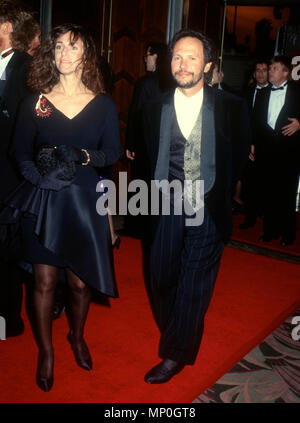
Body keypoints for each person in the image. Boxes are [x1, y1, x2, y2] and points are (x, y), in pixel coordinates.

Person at [1, 23, 121, 392]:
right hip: (45, 198)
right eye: (58, 48)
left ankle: (77, 335)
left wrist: (83, 155)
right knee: (44, 281)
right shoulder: (35, 102)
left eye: (73, 46)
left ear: (87, 53)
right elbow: (19, 151)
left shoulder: (102, 104)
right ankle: (46, 351)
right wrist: (36, 176)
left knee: (80, 284)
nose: (65, 54)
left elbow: (112, 153)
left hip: (85, 202)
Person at [142, 29, 250, 384]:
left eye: (191, 57)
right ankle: (177, 328)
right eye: (176, 56)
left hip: (206, 205)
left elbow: (236, 157)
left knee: (193, 281)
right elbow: (148, 155)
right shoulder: (153, 103)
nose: (182, 64)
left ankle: (176, 353)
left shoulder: (230, 106)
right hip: (163, 202)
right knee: (159, 275)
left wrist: (215, 193)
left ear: (208, 65)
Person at [0, 0, 33, 338]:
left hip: (10, 178)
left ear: (6, 27)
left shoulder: (26, 68)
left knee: (8, 251)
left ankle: (9, 319)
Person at [125, 41, 171, 239]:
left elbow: (136, 115)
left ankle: (136, 228)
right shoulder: (175, 82)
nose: (145, 60)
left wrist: (130, 143)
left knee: (141, 184)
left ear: (156, 56)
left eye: (147, 56)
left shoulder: (146, 83)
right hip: (167, 145)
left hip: (145, 143)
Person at [254, 56, 300, 246]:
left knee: (287, 195)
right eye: (270, 68)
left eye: (273, 68)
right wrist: (252, 144)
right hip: (266, 151)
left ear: (285, 72)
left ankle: (288, 234)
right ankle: (270, 231)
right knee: (268, 193)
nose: (269, 71)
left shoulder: (298, 91)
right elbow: (256, 121)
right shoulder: (263, 93)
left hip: (289, 152)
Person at [239, 60, 270, 229]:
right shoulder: (248, 92)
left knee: (266, 183)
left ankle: (265, 215)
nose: (260, 73)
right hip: (250, 143)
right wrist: (248, 143)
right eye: (257, 70)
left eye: (264, 70)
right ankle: (249, 218)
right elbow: (244, 119)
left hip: (268, 145)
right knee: (249, 183)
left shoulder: (274, 92)